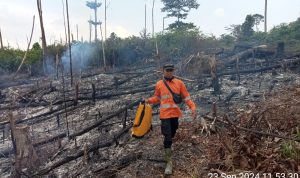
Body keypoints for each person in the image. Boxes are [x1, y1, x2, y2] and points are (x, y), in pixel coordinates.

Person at [145, 63, 197, 175]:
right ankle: (169, 162)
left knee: (173, 133)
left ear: (173, 71)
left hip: (175, 114)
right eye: (167, 70)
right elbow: (157, 97)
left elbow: (186, 97)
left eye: (171, 70)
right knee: (167, 137)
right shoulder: (159, 84)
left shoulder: (179, 83)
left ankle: (169, 146)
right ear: (163, 71)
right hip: (164, 115)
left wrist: (193, 107)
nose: (169, 72)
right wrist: (149, 100)